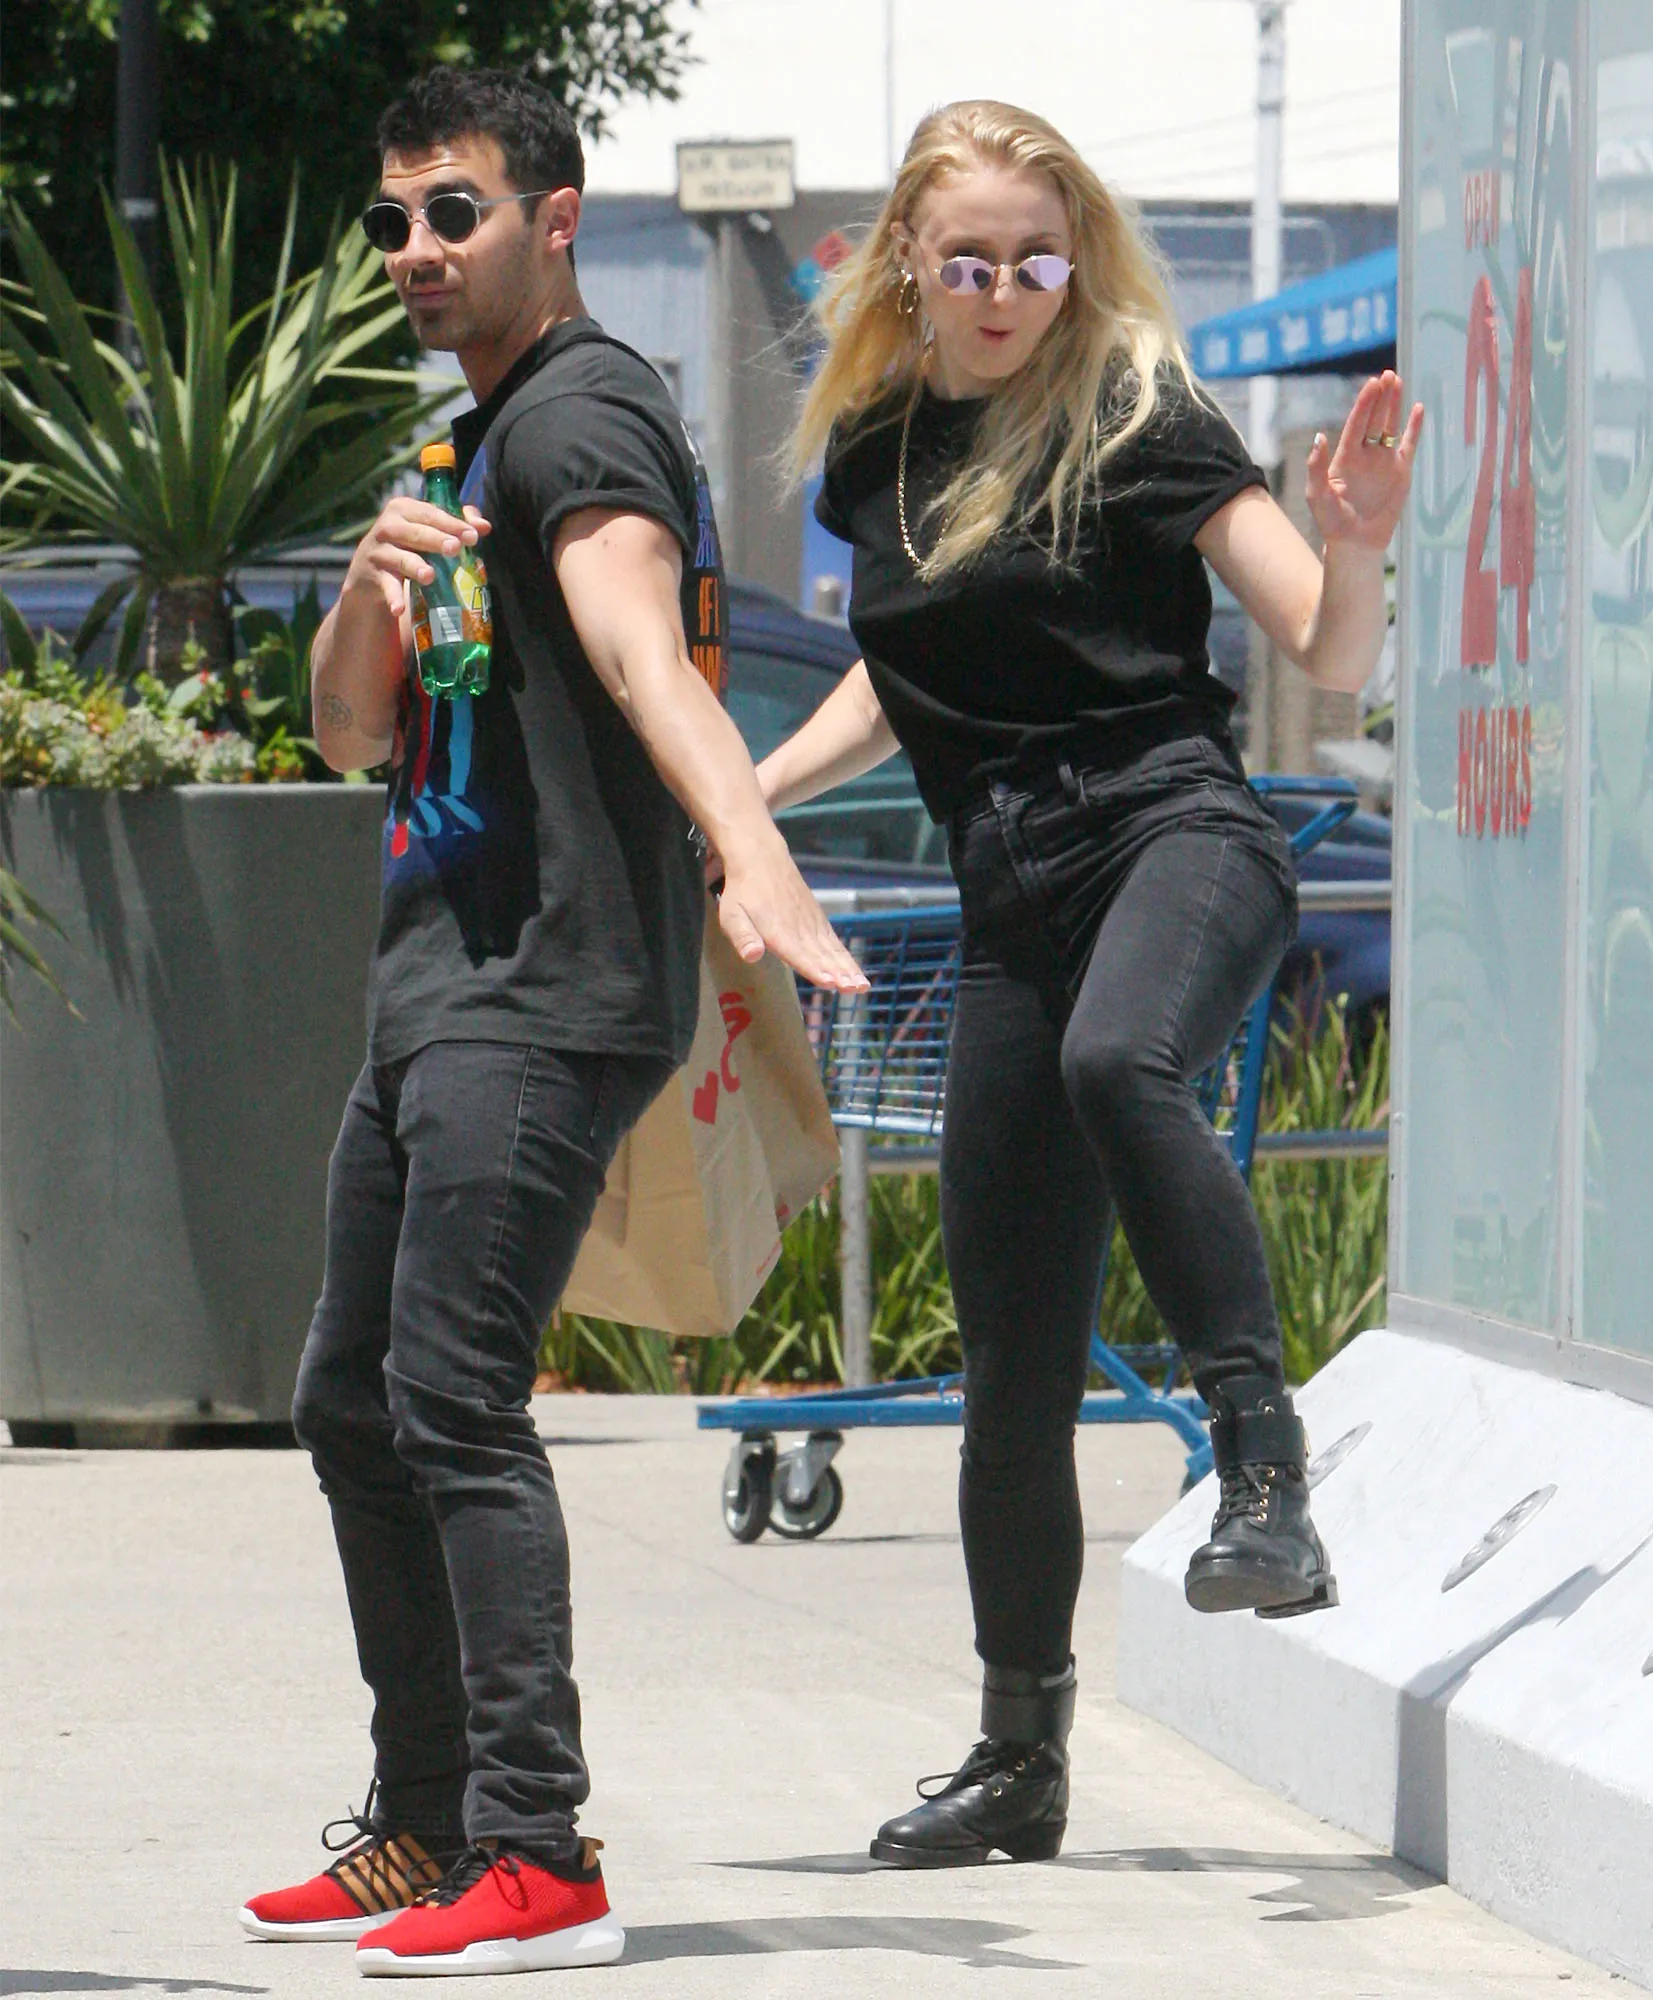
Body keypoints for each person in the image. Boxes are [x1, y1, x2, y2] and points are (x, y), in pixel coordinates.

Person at [239, 67, 865, 1974]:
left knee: (449, 1396)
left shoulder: (581, 414)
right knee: (351, 1399)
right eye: (395, 222)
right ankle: (429, 1822)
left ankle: (537, 1848)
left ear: (557, 218)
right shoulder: (469, 444)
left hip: (542, 990)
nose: (419, 250)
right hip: (440, 985)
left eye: (459, 212)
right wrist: (364, 591)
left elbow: (635, 641)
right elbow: (348, 733)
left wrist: (750, 842)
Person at [758, 100, 1421, 1869]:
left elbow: (1327, 649)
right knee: (1011, 1366)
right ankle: (1018, 1757)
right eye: (970, 262)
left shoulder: (1140, 416)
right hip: (1007, 899)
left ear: (1079, 264)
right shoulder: (877, 452)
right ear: (910, 261)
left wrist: (1356, 541)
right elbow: (908, 674)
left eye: (1038, 263)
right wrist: (747, 797)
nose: (1004, 294)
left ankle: (1264, 1471)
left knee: (1122, 1062)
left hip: (1173, 832)